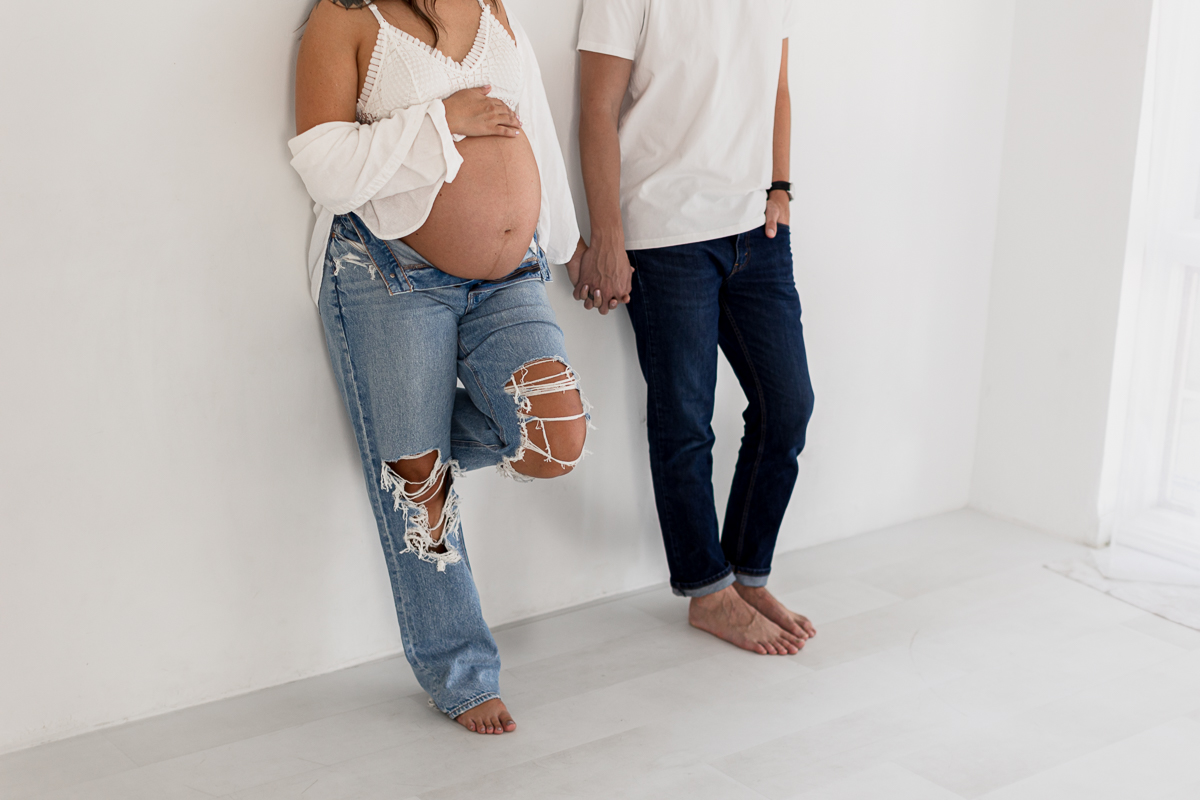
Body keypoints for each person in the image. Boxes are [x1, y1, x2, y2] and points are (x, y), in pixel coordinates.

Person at [290, 0, 588, 734]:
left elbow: (535, 123)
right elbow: (323, 166)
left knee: (555, 438)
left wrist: (564, 237)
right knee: (423, 505)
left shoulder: (492, 6)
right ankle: (460, 672)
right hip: (389, 272)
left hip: (511, 277)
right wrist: (442, 121)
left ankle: (402, 450)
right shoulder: (346, 16)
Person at [576, 0, 817, 655]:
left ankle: (746, 572)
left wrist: (781, 186)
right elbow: (596, 108)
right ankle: (708, 592)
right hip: (665, 231)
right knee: (685, 419)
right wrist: (608, 238)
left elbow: (777, 84)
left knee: (789, 406)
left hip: (756, 229)